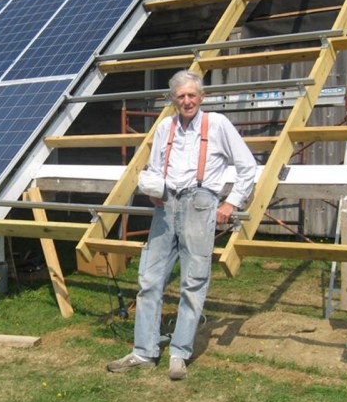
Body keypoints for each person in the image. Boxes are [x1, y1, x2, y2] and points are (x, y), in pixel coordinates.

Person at [107, 70, 257, 380]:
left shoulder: (217, 125)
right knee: (149, 278)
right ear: (173, 99)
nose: (186, 101)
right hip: (166, 206)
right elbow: (156, 166)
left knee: (193, 281)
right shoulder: (165, 127)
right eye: (180, 96)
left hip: (200, 205)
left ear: (201, 97)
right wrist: (154, 190)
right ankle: (143, 351)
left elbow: (247, 167)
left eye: (191, 95)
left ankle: (179, 353)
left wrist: (231, 203)